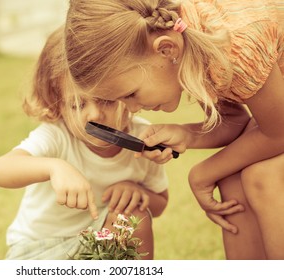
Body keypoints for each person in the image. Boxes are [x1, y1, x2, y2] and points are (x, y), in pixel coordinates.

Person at [64, 0, 284, 259]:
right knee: (232, 178)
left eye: (131, 94)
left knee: (264, 175)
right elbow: (235, 119)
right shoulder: (191, 42)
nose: (133, 109)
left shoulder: (235, 42)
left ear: (166, 50)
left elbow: (278, 132)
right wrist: (186, 134)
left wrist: (202, 174)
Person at [0, 26, 169, 260]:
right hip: (39, 250)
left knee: (134, 214)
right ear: (59, 105)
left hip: (97, 243)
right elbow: (1, 170)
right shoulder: (58, 136)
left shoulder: (143, 140)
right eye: (77, 104)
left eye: (105, 99)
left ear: (125, 92)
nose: (94, 115)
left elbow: (160, 204)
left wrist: (138, 194)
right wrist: (54, 167)